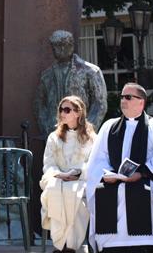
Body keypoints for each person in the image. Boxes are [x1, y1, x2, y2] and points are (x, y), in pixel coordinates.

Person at [86, 82, 153, 252]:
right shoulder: (109, 127)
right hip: (113, 182)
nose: (123, 100)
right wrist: (107, 175)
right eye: (121, 97)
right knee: (108, 191)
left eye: (128, 97)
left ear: (141, 102)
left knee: (140, 191)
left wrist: (141, 174)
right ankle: (110, 245)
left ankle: (146, 243)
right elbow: (98, 160)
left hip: (144, 180)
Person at [40, 95, 96, 253]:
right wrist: (59, 174)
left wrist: (78, 173)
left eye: (67, 110)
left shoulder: (91, 138)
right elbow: (48, 163)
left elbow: (94, 164)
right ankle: (60, 243)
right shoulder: (54, 137)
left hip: (80, 180)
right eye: (60, 109)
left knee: (73, 194)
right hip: (57, 180)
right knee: (54, 190)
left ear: (78, 113)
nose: (62, 113)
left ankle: (70, 245)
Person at [35, 30, 108, 136]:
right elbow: (39, 104)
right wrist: (46, 128)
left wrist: (87, 130)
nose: (56, 50)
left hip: (82, 135)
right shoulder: (47, 75)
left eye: (60, 46)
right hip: (55, 134)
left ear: (69, 46)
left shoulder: (90, 71)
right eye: (54, 46)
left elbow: (100, 104)